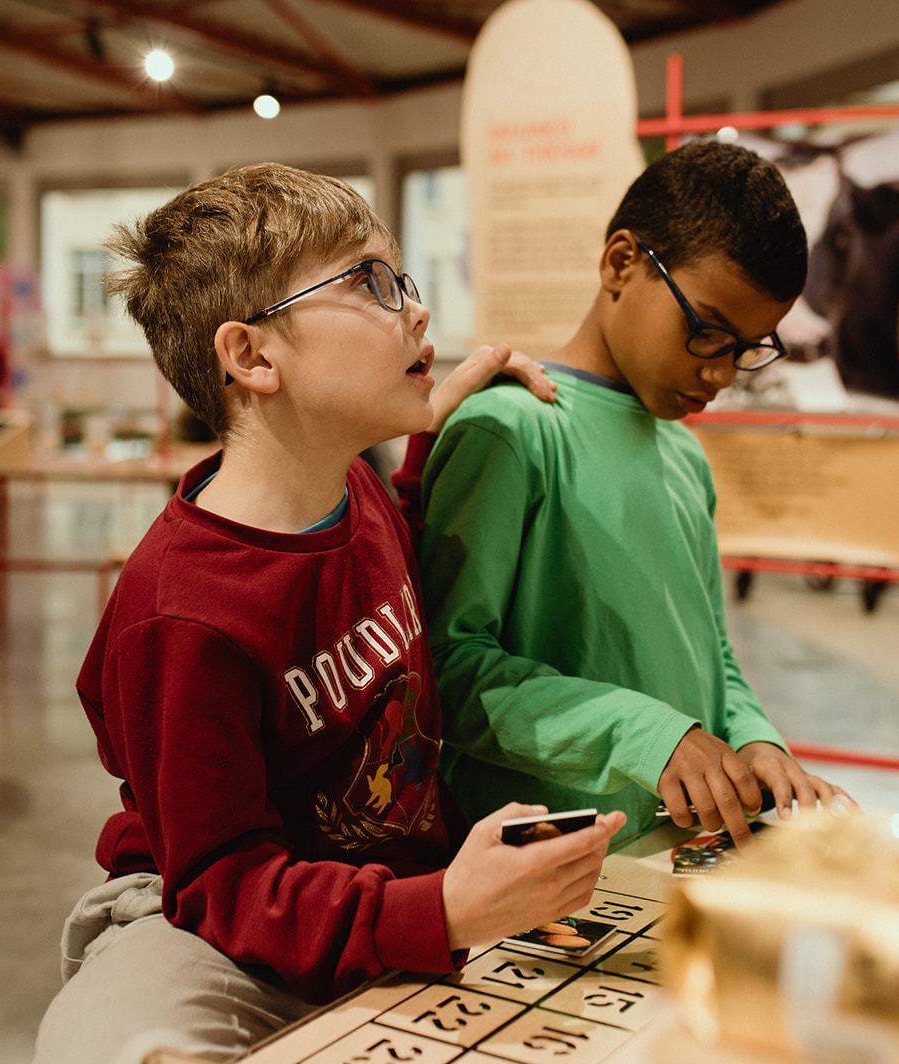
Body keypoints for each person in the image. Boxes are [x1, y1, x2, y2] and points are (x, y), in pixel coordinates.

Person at [32, 163, 623, 1064]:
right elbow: (221, 882)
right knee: (117, 1041)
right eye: (372, 285)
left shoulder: (354, 487)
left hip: (381, 903)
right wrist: (445, 910)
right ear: (253, 357)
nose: (416, 312)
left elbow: (398, 543)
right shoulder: (180, 613)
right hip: (211, 926)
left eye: (406, 282)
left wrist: (441, 420)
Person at [417, 141, 860, 852]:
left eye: (747, 347)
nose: (719, 374)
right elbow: (446, 670)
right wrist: (647, 735)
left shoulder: (683, 451)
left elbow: (708, 646)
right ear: (621, 263)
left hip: (668, 860)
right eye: (707, 331)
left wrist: (752, 738)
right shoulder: (511, 430)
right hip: (538, 871)